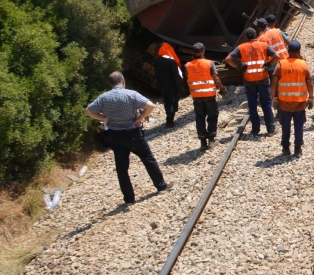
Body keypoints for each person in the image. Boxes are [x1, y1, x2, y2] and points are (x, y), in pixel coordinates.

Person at [85, 72, 173, 204]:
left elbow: (88, 111)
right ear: (123, 81)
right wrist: (140, 118)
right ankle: (161, 186)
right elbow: (150, 106)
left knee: (122, 168)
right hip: (133, 133)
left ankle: (129, 198)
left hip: (115, 135)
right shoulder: (131, 94)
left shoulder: (103, 98)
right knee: (148, 159)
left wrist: (105, 118)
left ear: (110, 83)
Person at [225, 28, 277, 137]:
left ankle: (255, 129)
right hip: (263, 78)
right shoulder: (264, 45)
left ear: (246, 37)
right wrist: (269, 64)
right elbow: (277, 56)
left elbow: (228, 59)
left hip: (249, 80)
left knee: (252, 105)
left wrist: (238, 66)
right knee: (266, 104)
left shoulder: (241, 47)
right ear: (255, 35)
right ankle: (271, 129)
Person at [270, 40, 314, 157]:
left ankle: (285, 148)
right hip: (299, 103)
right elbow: (309, 83)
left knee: (285, 126)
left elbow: (274, 82)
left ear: (288, 51)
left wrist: (274, 97)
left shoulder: (281, 64)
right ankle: (298, 148)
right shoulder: (303, 64)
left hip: (284, 103)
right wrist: (310, 98)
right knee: (299, 125)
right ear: (299, 51)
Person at [185, 42, 226, 150]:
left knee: (200, 117)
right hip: (209, 95)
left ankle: (203, 142)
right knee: (212, 116)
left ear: (193, 52)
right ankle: (211, 140)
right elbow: (216, 78)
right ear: (203, 51)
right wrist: (222, 89)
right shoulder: (209, 63)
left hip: (197, 96)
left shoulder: (187, 65)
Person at [154, 42, 182, 127]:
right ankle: (169, 121)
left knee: (166, 102)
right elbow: (175, 75)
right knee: (172, 102)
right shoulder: (171, 61)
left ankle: (168, 117)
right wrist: (180, 86)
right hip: (172, 86)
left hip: (162, 86)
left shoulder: (157, 60)